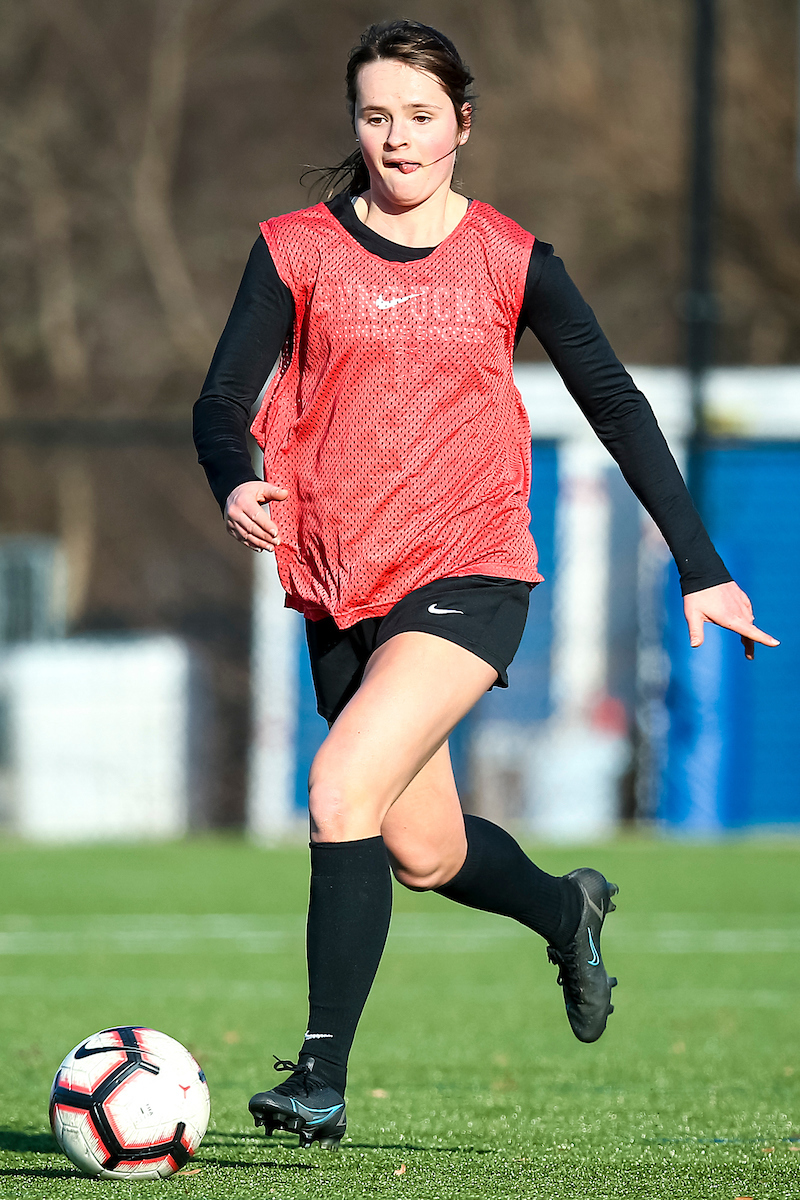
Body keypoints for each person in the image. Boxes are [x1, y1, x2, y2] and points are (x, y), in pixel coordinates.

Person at [193, 19, 779, 1151]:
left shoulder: (513, 260)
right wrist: (236, 479)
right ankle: (566, 908)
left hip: (470, 567)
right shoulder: (294, 250)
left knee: (336, 789)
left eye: (419, 116)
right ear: (352, 125)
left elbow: (615, 404)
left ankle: (317, 1076)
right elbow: (222, 404)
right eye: (374, 116)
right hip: (338, 578)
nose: (396, 139)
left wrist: (701, 569)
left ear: (463, 123)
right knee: (422, 853)